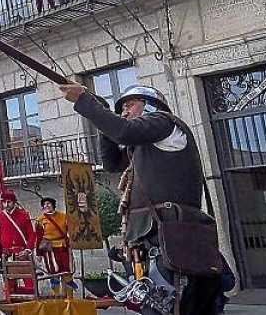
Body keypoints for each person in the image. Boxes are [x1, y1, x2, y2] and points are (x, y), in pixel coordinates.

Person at [61, 83, 220, 314]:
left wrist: (86, 102)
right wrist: (101, 112)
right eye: (121, 109)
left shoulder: (165, 123)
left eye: (129, 105)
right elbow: (112, 163)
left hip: (172, 236)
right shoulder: (141, 149)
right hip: (148, 238)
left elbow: (124, 131)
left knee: (176, 305)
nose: (123, 112)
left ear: (150, 107)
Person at [0, 193, 37, 298]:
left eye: (9, 201)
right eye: (4, 202)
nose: (6, 204)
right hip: (7, 255)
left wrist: (28, 250)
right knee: (9, 284)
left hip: (22, 253)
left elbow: (31, 235)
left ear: (14, 202)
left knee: (29, 282)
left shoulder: (24, 215)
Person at [34, 198, 77, 294]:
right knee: (54, 272)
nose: (47, 206)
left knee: (67, 271)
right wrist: (38, 253)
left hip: (63, 246)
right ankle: (57, 297)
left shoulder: (63, 216)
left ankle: (69, 297)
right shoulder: (40, 220)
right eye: (44, 204)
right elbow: (39, 237)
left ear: (53, 204)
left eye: (48, 203)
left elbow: (71, 230)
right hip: (50, 249)